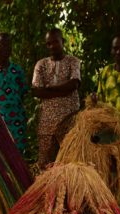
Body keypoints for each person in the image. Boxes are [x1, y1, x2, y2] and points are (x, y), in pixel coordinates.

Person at [31, 28, 80, 168]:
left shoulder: (73, 61)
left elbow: (74, 84)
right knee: (45, 164)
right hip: (47, 122)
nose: (52, 46)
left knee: (71, 161)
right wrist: (62, 89)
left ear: (63, 42)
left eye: (55, 42)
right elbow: (36, 91)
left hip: (69, 119)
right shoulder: (41, 64)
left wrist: (49, 88)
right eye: (48, 43)